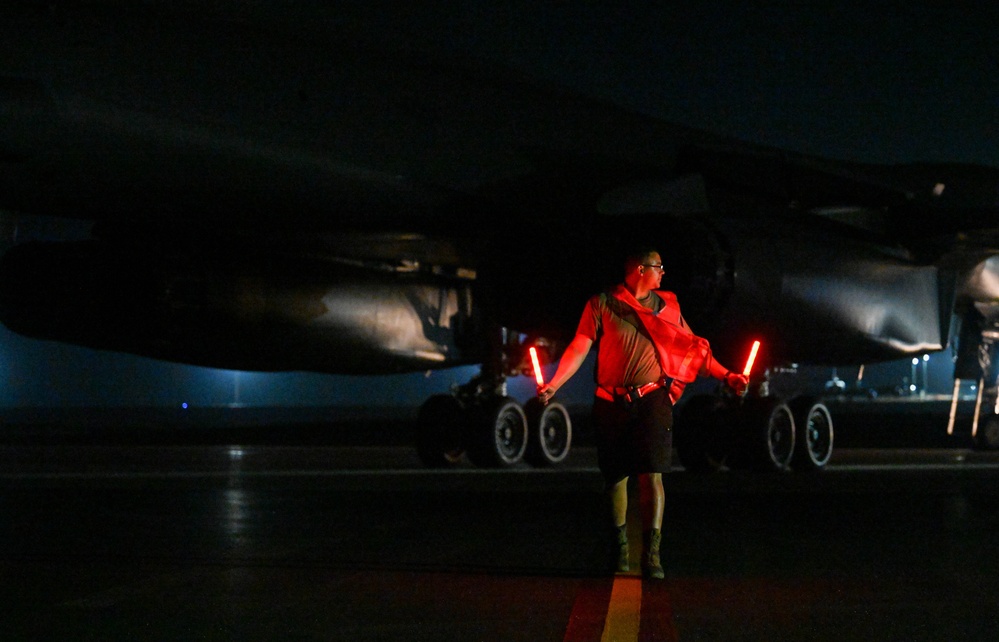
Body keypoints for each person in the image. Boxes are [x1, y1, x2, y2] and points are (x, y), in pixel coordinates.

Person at [537, 248, 747, 579]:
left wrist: (728, 376)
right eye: (658, 267)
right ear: (639, 269)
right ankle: (619, 548)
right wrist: (554, 384)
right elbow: (580, 345)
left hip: (652, 400)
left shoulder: (668, 307)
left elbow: (694, 348)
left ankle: (652, 554)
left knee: (652, 475)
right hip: (610, 402)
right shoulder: (603, 303)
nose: (663, 272)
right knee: (615, 478)